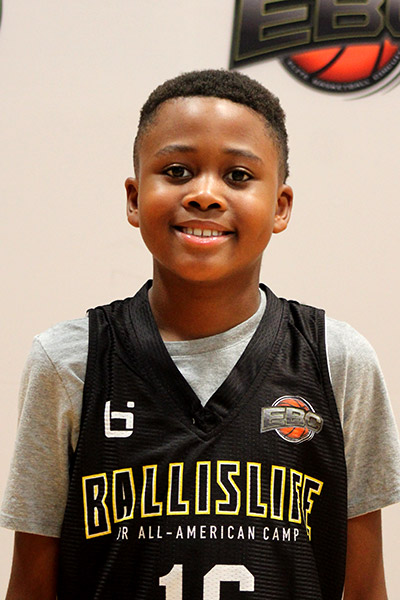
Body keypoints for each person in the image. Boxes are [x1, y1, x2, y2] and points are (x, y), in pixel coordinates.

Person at [1, 69, 400, 600]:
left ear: (280, 206)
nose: (206, 194)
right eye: (177, 171)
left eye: (238, 175)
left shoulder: (337, 361)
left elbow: (367, 587)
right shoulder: (69, 361)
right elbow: (30, 586)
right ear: (134, 198)